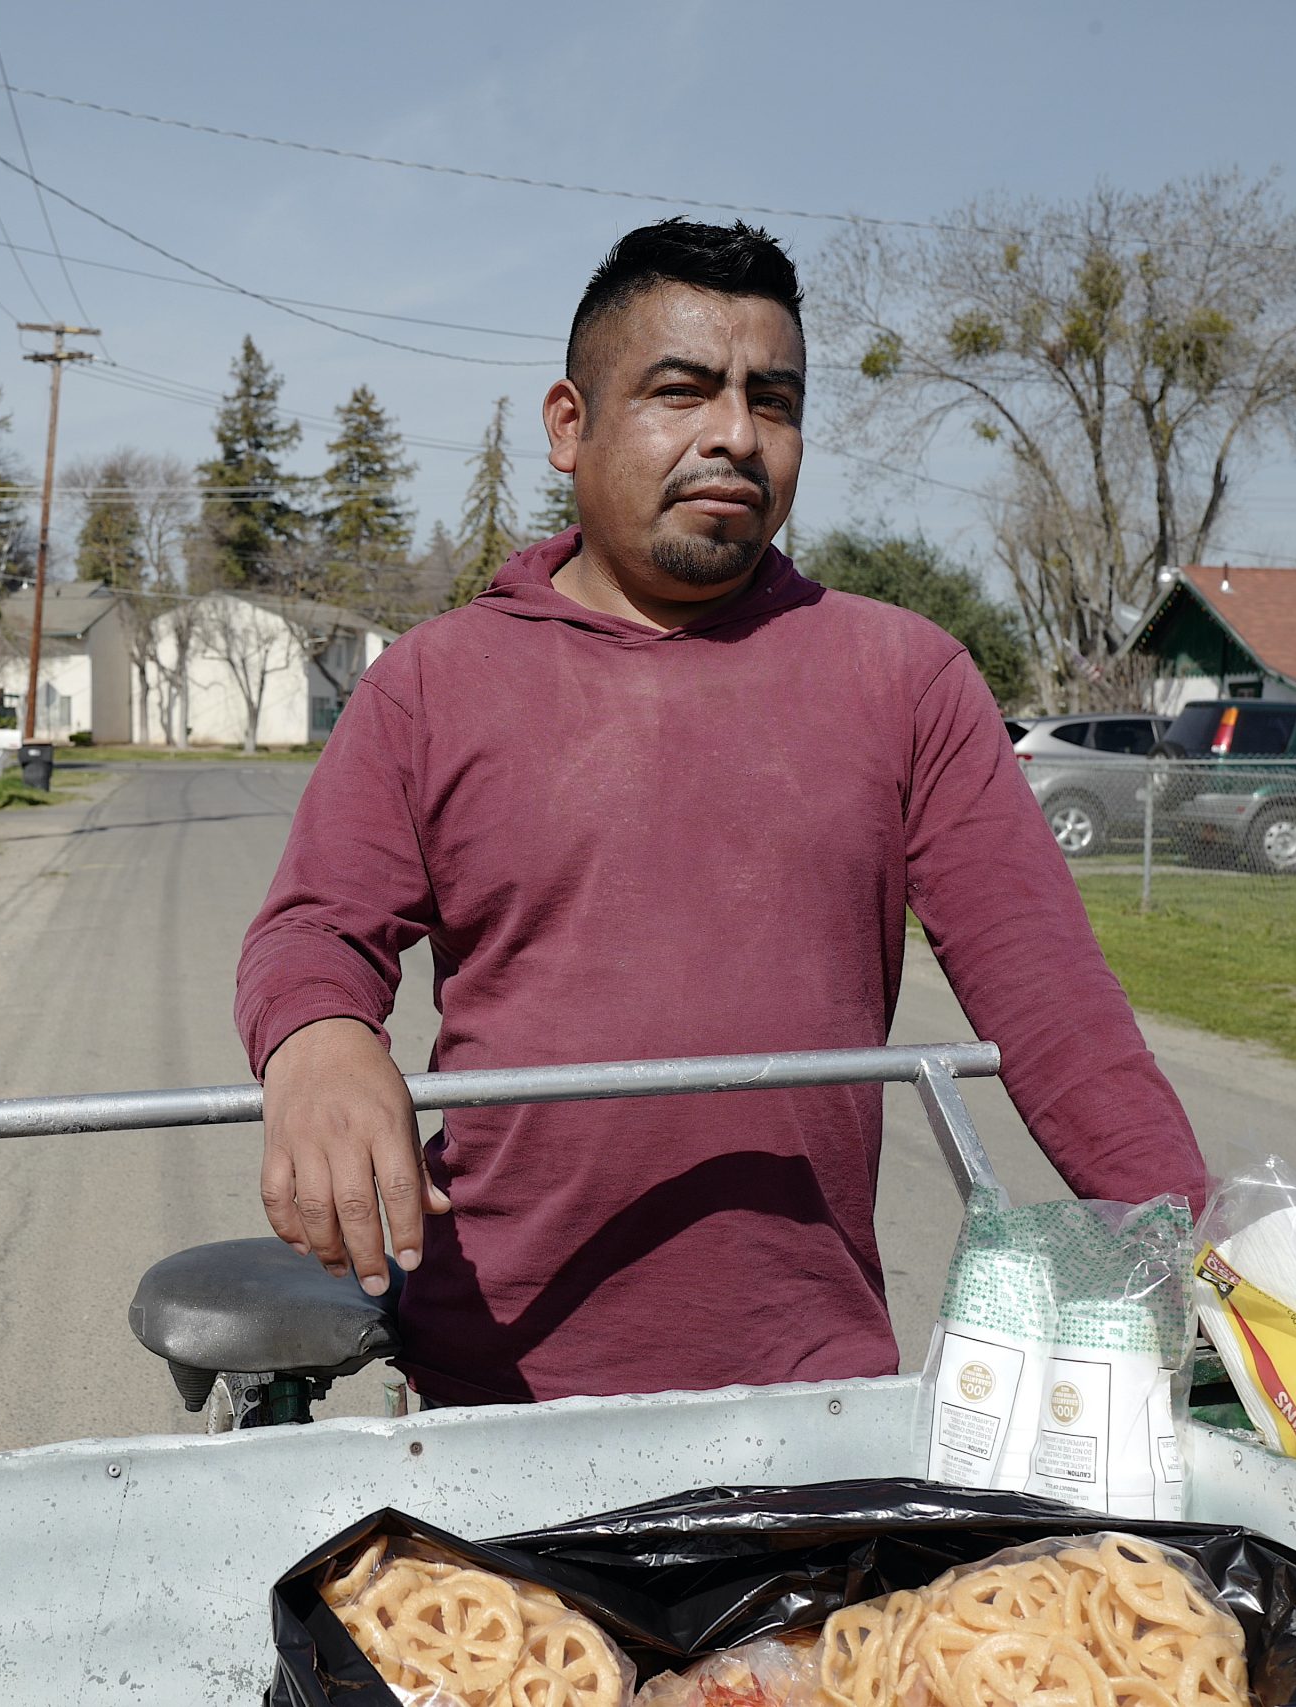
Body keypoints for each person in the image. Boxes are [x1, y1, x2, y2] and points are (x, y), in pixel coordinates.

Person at [234, 219, 1210, 1408]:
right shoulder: (433, 684)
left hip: (812, 1400)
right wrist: (320, 1046)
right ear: (568, 425)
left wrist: (1206, 1268)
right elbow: (312, 932)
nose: (736, 436)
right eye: (681, 391)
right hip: (491, 1385)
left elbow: (1053, 1008)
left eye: (774, 401)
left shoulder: (904, 678)